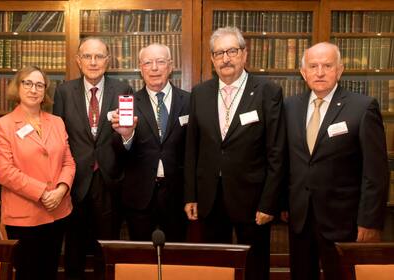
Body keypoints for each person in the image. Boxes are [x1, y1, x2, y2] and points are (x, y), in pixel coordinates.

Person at [184, 27, 286, 280]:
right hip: (210, 198)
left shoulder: (267, 91)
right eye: (219, 53)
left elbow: (277, 151)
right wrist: (191, 196)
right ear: (212, 58)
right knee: (217, 267)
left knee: (255, 267)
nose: (225, 58)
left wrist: (269, 202)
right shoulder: (200, 93)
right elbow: (192, 149)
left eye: (232, 51)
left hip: (253, 200)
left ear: (244, 54)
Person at [284, 42, 389, 280]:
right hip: (300, 219)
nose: (320, 72)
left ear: (340, 70)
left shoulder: (362, 107)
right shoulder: (289, 107)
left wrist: (370, 222)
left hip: (344, 221)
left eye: (327, 65)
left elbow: (376, 172)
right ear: (303, 72)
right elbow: (286, 161)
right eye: (313, 66)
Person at [53, 37, 133, 280]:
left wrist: (127, 136)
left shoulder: (123, 89)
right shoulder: (64, 91)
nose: (93, 61)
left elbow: (126, 137)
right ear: (78, 61)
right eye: (87, 56)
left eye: (99, 56)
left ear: (108, 61)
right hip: (75, 181)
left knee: (106, 249)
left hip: (110, 181)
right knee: (74, 249)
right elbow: (59, 138)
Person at [0, 66, 75, 280]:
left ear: (45, 91)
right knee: (28, 274)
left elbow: (68, 162)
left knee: (50, 271)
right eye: (27, 83)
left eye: (39, 85)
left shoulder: (56, 122)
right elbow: (4, 171)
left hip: (58, 211)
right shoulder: (4, 125)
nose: (33, 89)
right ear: (17, 87)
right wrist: (43, 192)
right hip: (24, 216)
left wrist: (61, 190)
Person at [111, 43, 189, 241]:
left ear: (170, 66)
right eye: (148, 62)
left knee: (175, 260)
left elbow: (197, 150)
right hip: (139, 197)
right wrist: (126, 136)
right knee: (141, 260)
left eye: (160, 62)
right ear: (141, 68)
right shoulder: (128, 103)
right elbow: (118, 153)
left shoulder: (190, 101)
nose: (154, 68)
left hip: (178, 197)